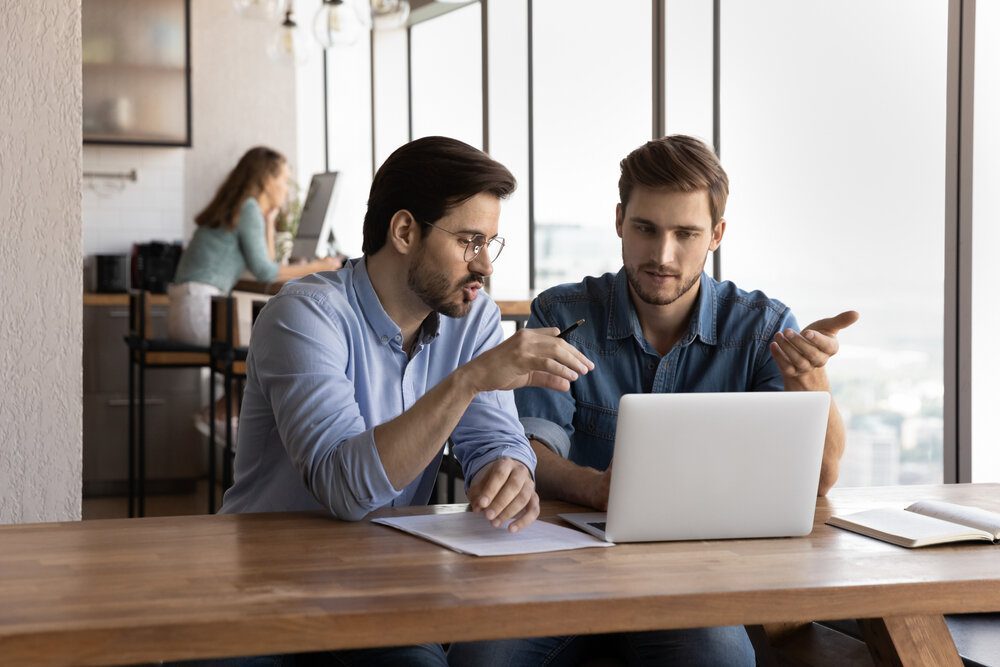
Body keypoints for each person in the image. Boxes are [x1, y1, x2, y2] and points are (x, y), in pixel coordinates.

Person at [447, 134, 859, 666]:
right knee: (483, 659)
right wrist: (597, 489)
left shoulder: (763, 328)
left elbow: (820, 481)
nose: (662, 255)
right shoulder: (565, 312)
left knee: (719, 659)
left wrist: (812, 378)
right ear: (620, 220)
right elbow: (529, 449)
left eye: (685, 233)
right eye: (646, 229)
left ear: (716, 234)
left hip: (701, 580)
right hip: (563, 571)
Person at [217, 136, 594, 666]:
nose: (484, 265)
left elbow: (494, 438)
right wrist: (468, 380)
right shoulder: (302, 316)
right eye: (469, 242)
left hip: (383, 584)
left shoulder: (473, 317)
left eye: (491, 243)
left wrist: (509, 470)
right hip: (262, 587)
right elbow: (345, 491)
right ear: (404, 231)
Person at [168, 146, 341, 346]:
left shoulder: (241, 207)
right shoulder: (248, 208)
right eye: (284, 180)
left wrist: (268, 222)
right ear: (267, 181)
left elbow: (266, 264)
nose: (286, 189)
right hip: (200, 313)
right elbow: (265, 272)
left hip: (187, 310)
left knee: (270, 338)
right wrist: (319, 268)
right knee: (278, 342)